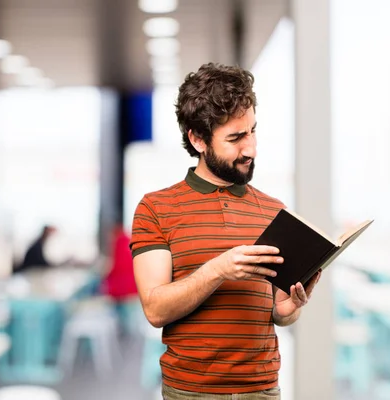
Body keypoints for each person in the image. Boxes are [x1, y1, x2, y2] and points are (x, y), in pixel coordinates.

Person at [130, 63, 321, 399]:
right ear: (198, 139)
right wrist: (219, 269)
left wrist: (289, 309)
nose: (251, 149)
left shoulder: (274, 210)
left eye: (252, 131)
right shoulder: (155, 209)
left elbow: (278, 311)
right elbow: (155, 310)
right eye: (235, 138)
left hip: (262, 392)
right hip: (190, 392)